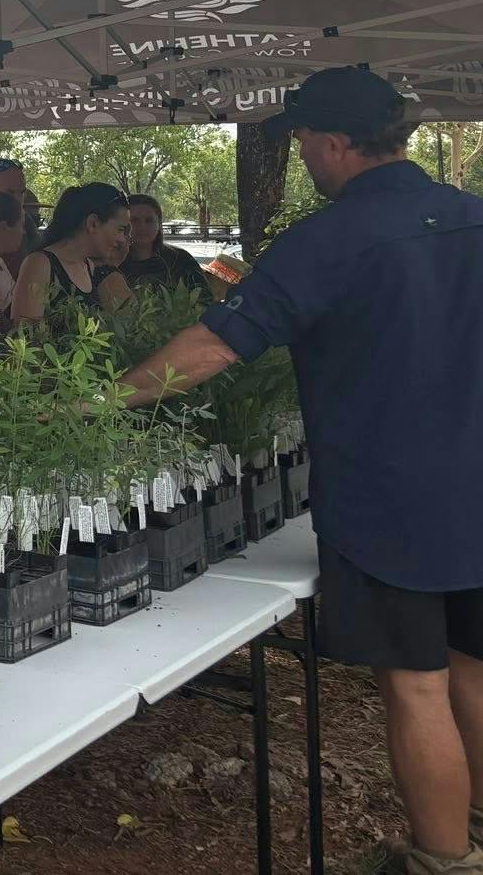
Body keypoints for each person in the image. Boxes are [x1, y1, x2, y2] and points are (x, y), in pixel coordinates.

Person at [119, 69, 483, 875]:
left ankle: (444, 861)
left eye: (306, 143)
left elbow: (213, 347)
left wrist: (104, 401)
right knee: (472, 672)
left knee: (417, 687)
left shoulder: (326, 242)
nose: (306, 159)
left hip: (391, 505)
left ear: (334, 143)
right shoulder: (473, 218)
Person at [11, 182, 134, 325]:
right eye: (120, 229)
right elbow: (25, 336)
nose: (122, 239)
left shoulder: (88, 266)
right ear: (93, 223)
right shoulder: (39, 264)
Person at [118, 193, 211, 296]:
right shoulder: (113, 262)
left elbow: (204, 300)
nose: (142, 226)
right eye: (134, 220)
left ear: (159, 224)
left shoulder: (180, 259)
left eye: (149, 220)